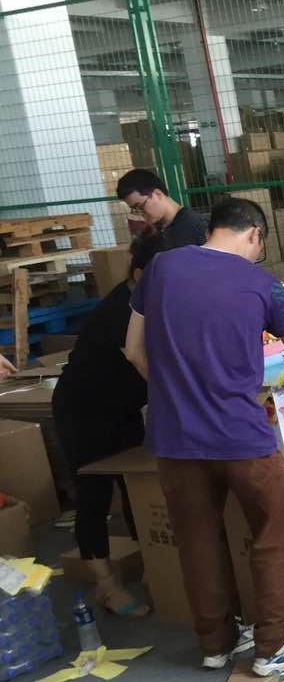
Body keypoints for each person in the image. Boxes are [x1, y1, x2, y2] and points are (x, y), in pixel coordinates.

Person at [124, 198, 284, 676]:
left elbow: (133, 349)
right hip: (242, 437)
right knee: (271, 534)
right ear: (254, 235)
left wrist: (174, 392)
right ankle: (274, 644)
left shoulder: (160, 269)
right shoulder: (262, 284)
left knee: (197, 540)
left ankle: (215, 643)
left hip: (175, 440)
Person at [52, 235, 162, 617]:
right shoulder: (121, 311)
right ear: (139, 275)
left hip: (123, 408)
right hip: (83, 410)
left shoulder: (150, 302)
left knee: (136, 486)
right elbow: (142, 362)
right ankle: (107, 586)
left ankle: (154, 569)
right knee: (93, 494)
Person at [116, 169, 208, 250]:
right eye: (135, 209)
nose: (140, 213)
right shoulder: (152, 233)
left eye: (140, 206)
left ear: (158, 194)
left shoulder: (196, 227)